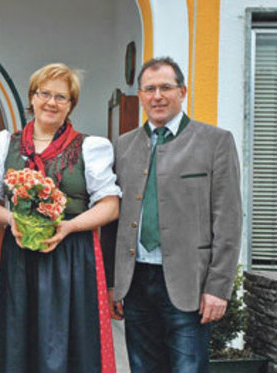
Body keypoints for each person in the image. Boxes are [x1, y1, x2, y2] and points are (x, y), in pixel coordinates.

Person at [0, 63, 121, 372]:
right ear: (31, 98)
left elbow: (110, 205)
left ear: (71, 105)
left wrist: (69, 226)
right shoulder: (7, 144)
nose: (51, 103)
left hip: (73, 256)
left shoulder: (91, 147)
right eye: (44, 93)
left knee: (70, 342)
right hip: (19, 254)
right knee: (17, 338)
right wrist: (11, 219)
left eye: (62, 97)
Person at [107, 57, 242, 372]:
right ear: (140, 96)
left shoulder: (215, 142)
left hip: (189, 286)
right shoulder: (123, 146)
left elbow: (229, 221)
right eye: (149, 89)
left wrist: (218, 288)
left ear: (182, 92)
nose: (157, 96)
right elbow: (112, 219)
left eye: (165, 87)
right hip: (136, 282)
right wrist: (114, 282)